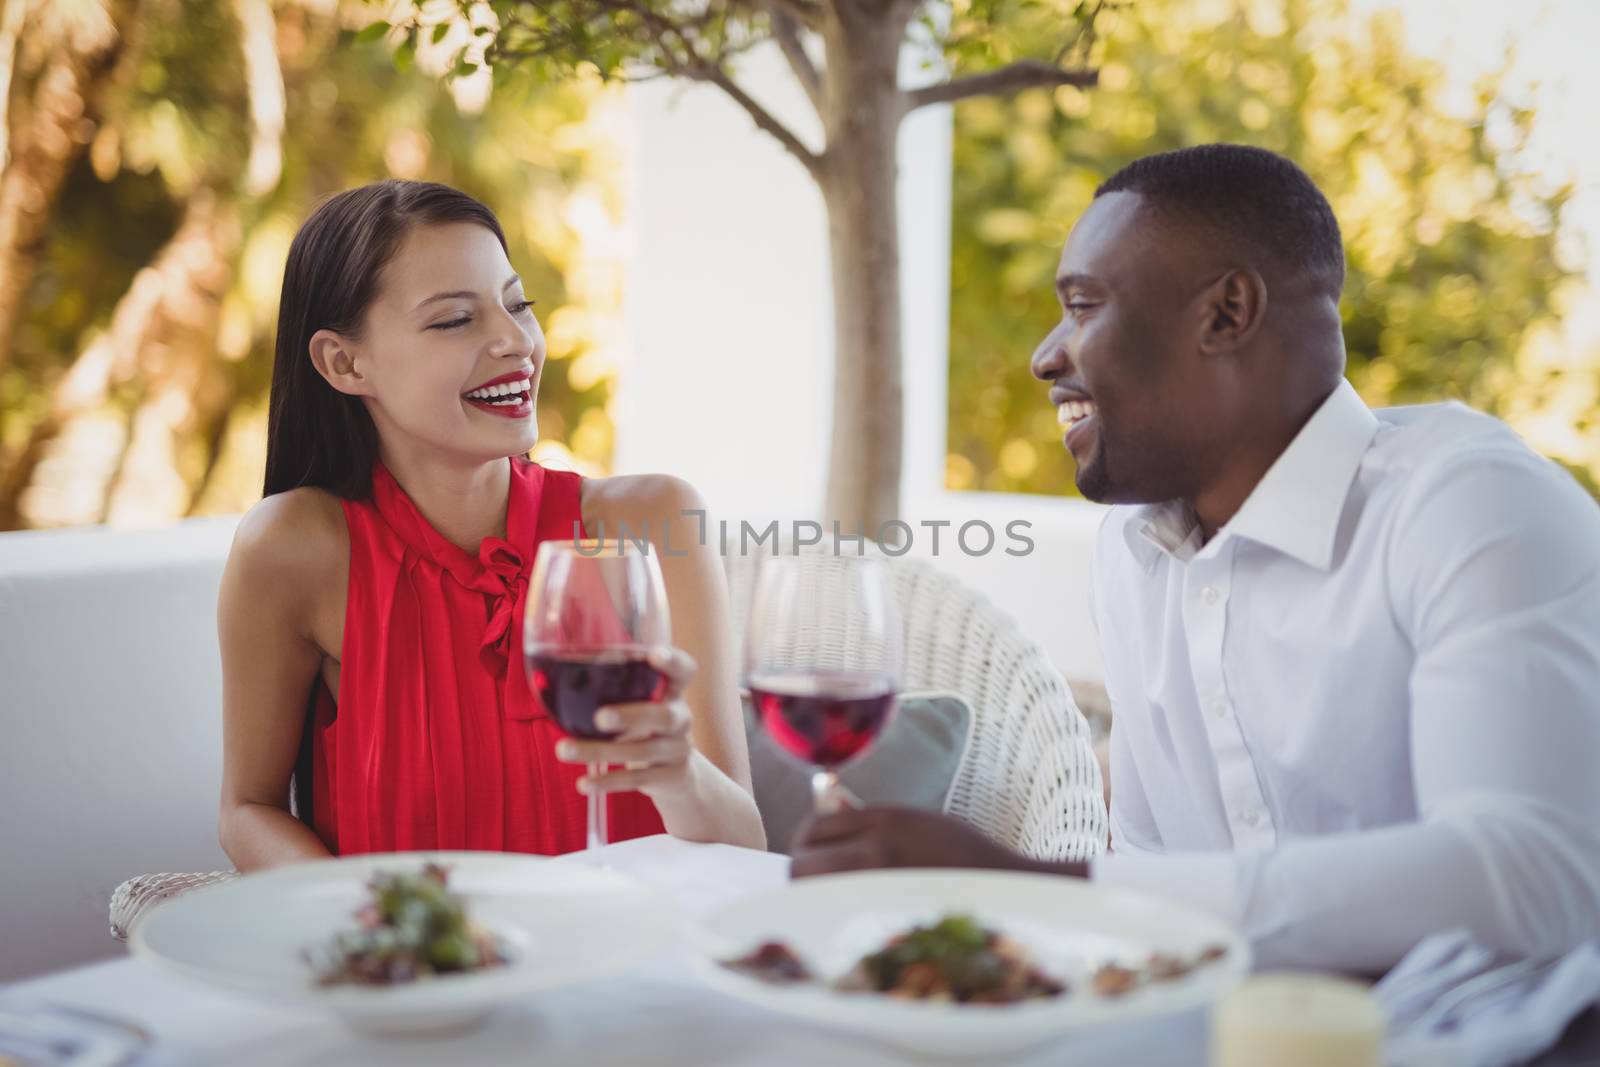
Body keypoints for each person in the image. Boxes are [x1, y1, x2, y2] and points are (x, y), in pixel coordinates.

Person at [791, 144, 1600, 973]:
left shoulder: (1473, 508)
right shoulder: (1133, 551)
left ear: (1226, 313)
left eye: (1082, 306)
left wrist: (1028, 886)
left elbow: (1531, 875)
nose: (1045, 355)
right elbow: (1147, 864)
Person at [218, 180, 764, 869]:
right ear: (345, 362)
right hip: (430, 969)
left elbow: (747, 841)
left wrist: (678, 771)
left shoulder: (655, 521)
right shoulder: (294, 548)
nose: (516, 341)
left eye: (517, 305)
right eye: (454, 320)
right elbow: (248, 809)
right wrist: (366, 919)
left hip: (636, 958)